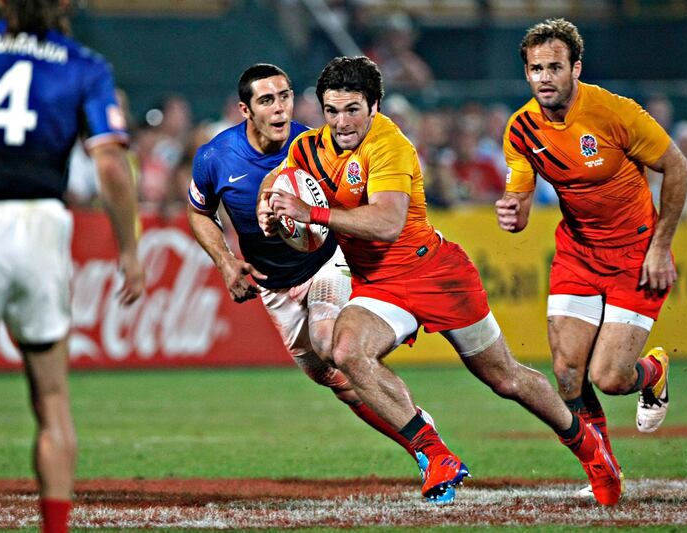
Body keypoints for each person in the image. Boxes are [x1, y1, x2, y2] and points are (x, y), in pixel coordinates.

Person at [258, 56, 622, 505]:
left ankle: (590, 449)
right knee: (343, 350)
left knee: (505, 378)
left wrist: (311, 215)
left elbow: (388, 222)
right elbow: (279, 183)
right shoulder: (308, 149)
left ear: (374, 106)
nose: (341, 122)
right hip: (379, 283)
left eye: (352, 109)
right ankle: (434, 454)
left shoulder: (391, 145)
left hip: (436, 273)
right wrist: (269, 212)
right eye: (331, 111)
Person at [186, 63, 453, 502]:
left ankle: (432, 451)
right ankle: (421, 434)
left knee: (332, 342)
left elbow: (362, 202)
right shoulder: (216, 157)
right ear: (245, 110)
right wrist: (226, 261)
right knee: (337, 381)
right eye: (267, 100)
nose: (280, 108)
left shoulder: (315, 144)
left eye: (285, 96)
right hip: (274, 287)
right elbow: (200, 213)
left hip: (329, 263)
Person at [0, 1, 145, 531]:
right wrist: (129, 248)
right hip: (41, 225)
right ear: (65, 6)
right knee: (51, 397)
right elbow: (112, 166)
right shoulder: (84, 64)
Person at [495, 18, 687, 496]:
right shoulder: (521, 128)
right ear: (526, 73)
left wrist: (661, 246)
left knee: (611, 378)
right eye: (536, 68)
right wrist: (512, 210)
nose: (544, 77)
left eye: (554, 67)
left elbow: (677, 166)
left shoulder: (614, 113)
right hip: (578, 252)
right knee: (565, 374)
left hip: (635, 253)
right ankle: (603, 468)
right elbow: (518, 204)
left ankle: (653, 370)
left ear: (575, 68)